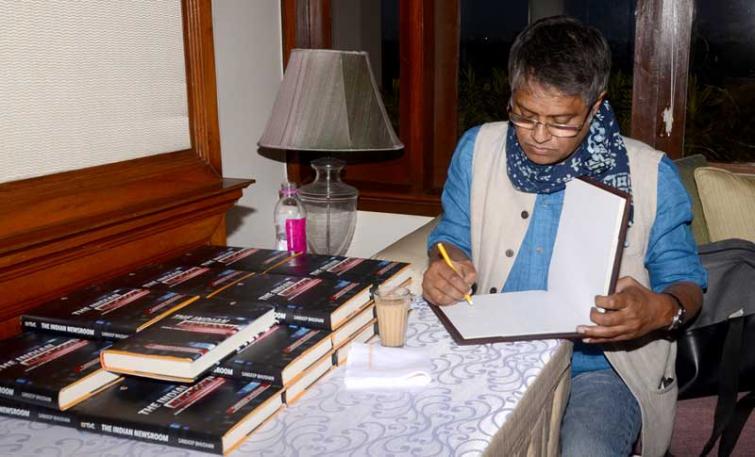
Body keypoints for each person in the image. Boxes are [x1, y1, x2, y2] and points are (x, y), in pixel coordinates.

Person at [423, 16, 707, 457]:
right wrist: (447, 263)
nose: (539, 136)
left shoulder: (650, 173)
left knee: (586, 449)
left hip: (602, 368)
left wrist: (657, 311)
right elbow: (450, 235)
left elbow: (687, 283)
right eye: (524, 115)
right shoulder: (478, 149)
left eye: (561, 122)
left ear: (595, 106)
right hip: (494, 347)